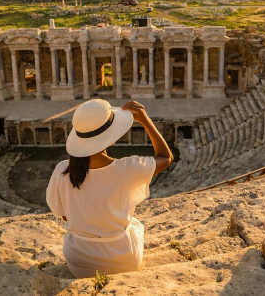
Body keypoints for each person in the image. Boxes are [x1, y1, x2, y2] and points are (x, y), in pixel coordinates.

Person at [46, 99, 173, 278]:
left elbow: (63, 213)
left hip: (79, 261)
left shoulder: (62, 170)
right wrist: (145, 120)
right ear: (110, 137)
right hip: (122, 260)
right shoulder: (129, 168)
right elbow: (166, 157)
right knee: (134, 225)